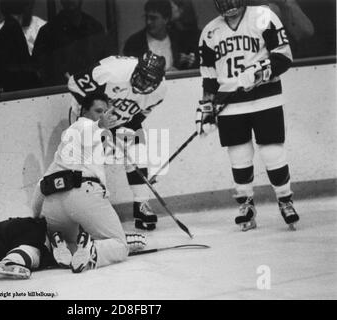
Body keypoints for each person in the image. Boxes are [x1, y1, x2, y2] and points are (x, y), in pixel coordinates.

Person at [197, 0, 300, 231]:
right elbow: (210, 78)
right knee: (239, 155)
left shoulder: (263, 16)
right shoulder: (209, 31)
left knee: (272, 151)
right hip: (230, 105)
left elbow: (284, 57)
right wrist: (206, 108)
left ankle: (285, 201)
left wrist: (260, 70)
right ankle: (246, 205)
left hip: (266, 99)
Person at [31, 92, 130, 273]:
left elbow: (40, 185)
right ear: (83, 111)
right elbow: (89, 129)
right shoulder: (82, 126)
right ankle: (93, 249)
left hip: (52, 202)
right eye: (98, 111)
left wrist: (37, 218)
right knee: (120, 245)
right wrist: (100, 124)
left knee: (73, 245)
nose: (103, 115)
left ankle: (59, 244)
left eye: (106, 112)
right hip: (83, 194)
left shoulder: (66, 147)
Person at [67, 51, 167, 231]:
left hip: (120, 120)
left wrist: (120, 130)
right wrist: (97, 117)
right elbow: (74, 83)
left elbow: (139, 116)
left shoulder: (160, 92)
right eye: (141, 78)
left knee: (138, 152)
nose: (142, 85)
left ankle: (141, 205)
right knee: (88, 162)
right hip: (89, 117)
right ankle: (81, 211)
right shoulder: (113, 72)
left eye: (149, 82)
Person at [31, 0, 109, 86]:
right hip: (60, 92)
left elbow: (106, 62)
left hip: (95, 89)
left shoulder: (95, 28)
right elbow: (39, 69)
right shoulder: (47, 32)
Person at [124, 0, 197, 71]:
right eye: (146, 17)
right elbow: (128, 71)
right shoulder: (134, 43)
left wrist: (178, 71)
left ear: (166, 19)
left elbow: (190, 68)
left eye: (153, 18)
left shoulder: (180, 40)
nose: (148, 22)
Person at [0, 0, 40, 92]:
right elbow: (20, 66)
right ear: (25, 7)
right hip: (17, 90)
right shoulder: (12, 29)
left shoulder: (6, 30)